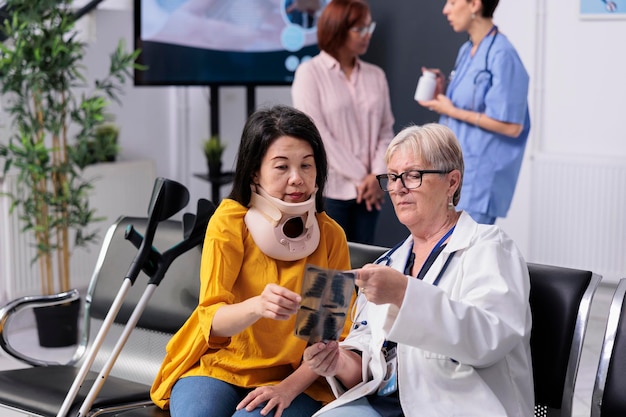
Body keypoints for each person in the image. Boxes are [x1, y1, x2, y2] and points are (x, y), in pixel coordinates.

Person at [301, 123, 534, 417]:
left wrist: (404, 293)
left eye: (412, 176)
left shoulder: (489, 247)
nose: (397, 188)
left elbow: (488, 338)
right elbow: (371, 359)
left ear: (452, 182)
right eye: (393, 177)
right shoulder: (391, 262)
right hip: (387, 405)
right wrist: (337, 362)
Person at [150, 105, 354, 417]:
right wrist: (258, 306)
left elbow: (326, 340)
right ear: (255, 172)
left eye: (307, 166)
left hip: (294, 378)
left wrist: (286, 389)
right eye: (281, 167)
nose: (297, 178)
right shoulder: (229, 222)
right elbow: (212, 317)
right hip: (220, 366)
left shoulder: (330, 236)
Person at [417, 0, 530, 225]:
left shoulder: (503, 54)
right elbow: (468, 103)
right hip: (456, 169)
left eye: (452, 2)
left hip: (480, 177)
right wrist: (444, 95)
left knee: (469, 253)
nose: (446, 10)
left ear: (474, 4)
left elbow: (512, 126)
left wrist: (452, 111)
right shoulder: (467, 50)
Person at [291, 0, 395, 245]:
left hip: (370, 192)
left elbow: (385, 130)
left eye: (369, 28)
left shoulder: (375, 75)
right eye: (359, 29)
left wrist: (377, 175)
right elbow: (317, 135)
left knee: (365, 266)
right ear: (336, 29)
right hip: (332, 190)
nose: (367, 35)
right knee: (332, 270)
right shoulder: (310, 73)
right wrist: (363, 177)